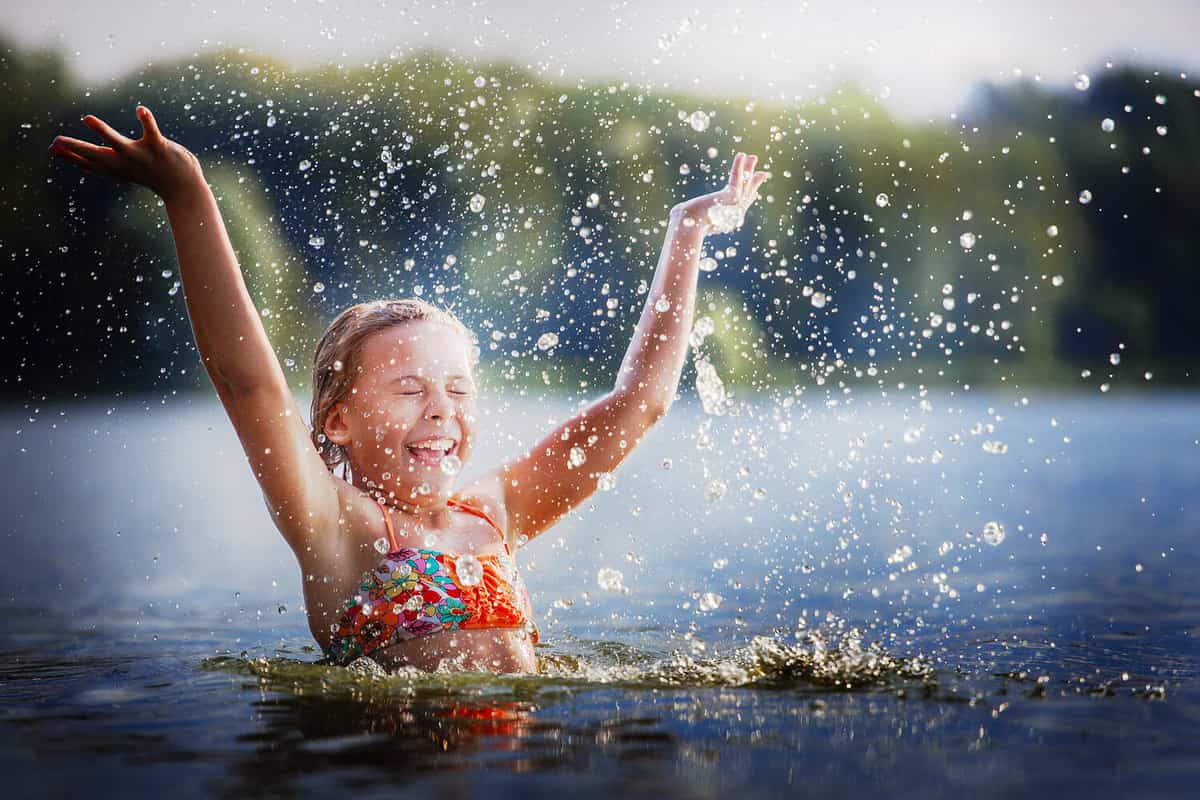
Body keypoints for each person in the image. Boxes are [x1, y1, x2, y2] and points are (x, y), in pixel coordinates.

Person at [48, 106, 769, 673]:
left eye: (459, 390)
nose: (442, 412)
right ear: (336, 422)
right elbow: (246, 381)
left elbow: (638, 403)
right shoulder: (337, 527)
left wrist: (687, 232)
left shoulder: (496, 515)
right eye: (409, 390)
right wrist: (188, 195)